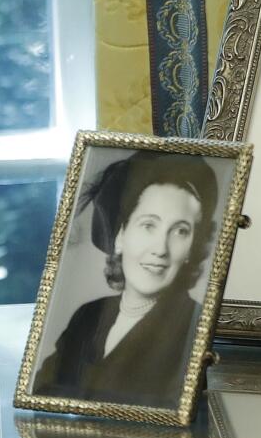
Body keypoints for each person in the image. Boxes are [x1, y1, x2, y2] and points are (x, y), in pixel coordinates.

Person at [33, 151, 218, 412]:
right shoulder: (88, 315)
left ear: (191, 249)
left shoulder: (193, 327)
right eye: (148, 225)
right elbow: (42, 392)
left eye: (180, 231)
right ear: (120, 235)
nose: (160, 249)